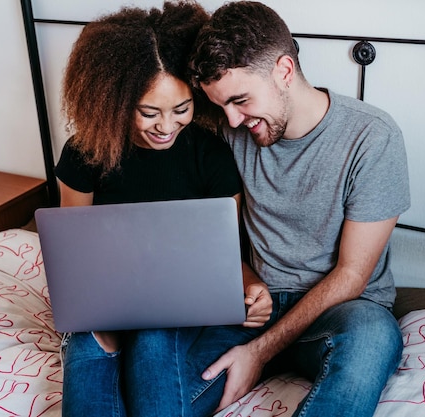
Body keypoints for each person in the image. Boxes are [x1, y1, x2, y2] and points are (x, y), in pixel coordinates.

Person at [187, 1, 411, 416]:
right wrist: (250, 286)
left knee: (375, 337)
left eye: (240, 100)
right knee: (163, 383)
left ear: (285, 71)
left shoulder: (371, 138)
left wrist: (259, 352)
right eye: (222, 107)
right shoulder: (228, 132)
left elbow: (352, 276)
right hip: (254, 307)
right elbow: (213, 234)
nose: (233, 121)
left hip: (341, 313)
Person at [54, 2, 272, 416]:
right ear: (116, 101)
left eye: (182, 109)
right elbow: (71, 252)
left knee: (154, 340)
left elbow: (225, 254)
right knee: (90, 350)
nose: (167, 126)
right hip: (106, 302)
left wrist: (251, 288)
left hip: (181, 307)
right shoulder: (85, 154)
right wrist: (98, 316)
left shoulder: (209, 155)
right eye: (149, 112)